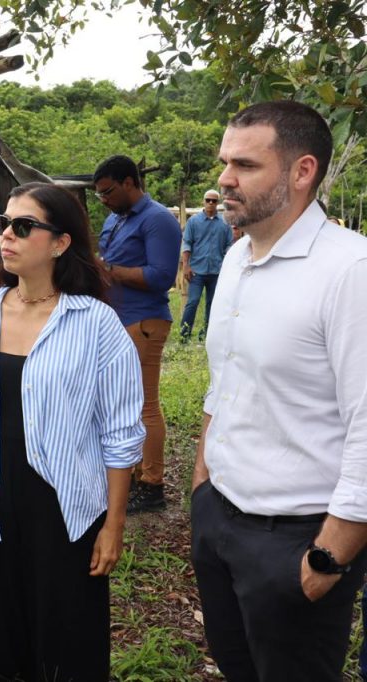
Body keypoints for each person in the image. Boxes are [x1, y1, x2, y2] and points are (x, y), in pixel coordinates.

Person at [191, 100, 367, 681]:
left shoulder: (350, 271)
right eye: (224, 162)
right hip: (220, 518)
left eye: (245, 164)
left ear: (302, 171)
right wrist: (202, 486)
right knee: (238, 666)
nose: (224, 178)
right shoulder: (240, 256)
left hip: (298, 537)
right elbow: (227, 382)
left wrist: (327, 557)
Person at [0, 182, 144, 681]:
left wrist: (113, 525)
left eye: (23, 226)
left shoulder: (96, 324)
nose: (7, 235)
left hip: (64, 505)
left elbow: (121, 434)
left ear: (59, 243)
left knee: (67, 638)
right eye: (4, 224)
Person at [93, 155, 182, 514]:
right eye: (99, 194)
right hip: (117, 322)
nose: (104, 200)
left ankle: (152, 485)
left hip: (143, 321)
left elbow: (161, 277)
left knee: (144, 405)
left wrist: (109, 270)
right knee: (119, 404)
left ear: (130, 182)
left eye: (108, 191)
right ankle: (126, 476)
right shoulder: (116, 217)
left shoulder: (158, 220)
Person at [179, 189, 232, 342]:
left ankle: (207, 334)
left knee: (212, 304)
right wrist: (186, 266)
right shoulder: (193, 222)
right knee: (193, 302)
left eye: (214, 201)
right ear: (203, 201)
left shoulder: (224, 223)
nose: (210, 203)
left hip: (216, 271)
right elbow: (187, 243)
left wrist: (225, 264)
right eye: (208, 200)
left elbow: (229, 245)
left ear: (218, 203)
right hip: (196, 270)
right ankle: (184, 335)